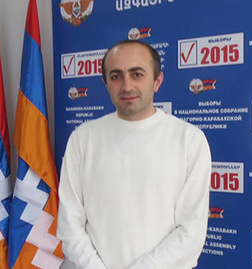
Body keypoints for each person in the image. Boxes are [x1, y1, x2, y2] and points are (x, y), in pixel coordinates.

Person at [57, 40, 212, 269]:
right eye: (116, 76)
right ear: (106, 83)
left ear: (157, 81)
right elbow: (70, 223)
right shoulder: (83, 138)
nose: (127, 86)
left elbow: (191, 231)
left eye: (137, 74)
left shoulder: (189, 140)